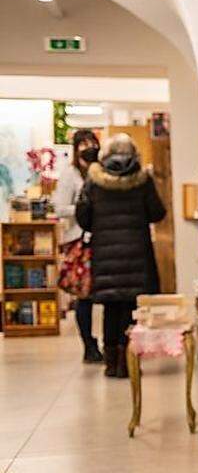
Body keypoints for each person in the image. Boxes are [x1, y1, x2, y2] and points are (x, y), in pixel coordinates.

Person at [76, 134, 166, 378]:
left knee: (110, 308)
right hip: (137, 254)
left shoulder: (94, 180)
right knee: (130, 309)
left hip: (105, 256)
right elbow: (157, 212)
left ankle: (111, 363)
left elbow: (83, 218)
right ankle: (129, 362)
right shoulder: (143, 180)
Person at [51, 130, 102, 363]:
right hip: (80, 240)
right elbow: (60, 208)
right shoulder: (70, 174)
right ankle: (88, 344)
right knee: (85, 295)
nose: (88, 147)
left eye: (92, 142)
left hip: (101, 239)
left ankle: (105, 345)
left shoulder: (101, 171)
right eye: (83, 144)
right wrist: (84, 208)